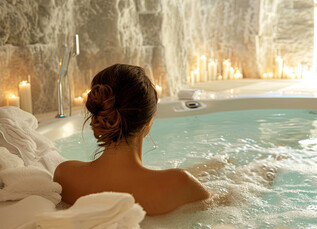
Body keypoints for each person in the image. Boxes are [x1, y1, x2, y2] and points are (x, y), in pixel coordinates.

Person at [54, 64, 210, 215]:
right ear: (148, 121)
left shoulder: (64, 175)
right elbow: (219, 207)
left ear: (97, 112)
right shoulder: (179, 183)